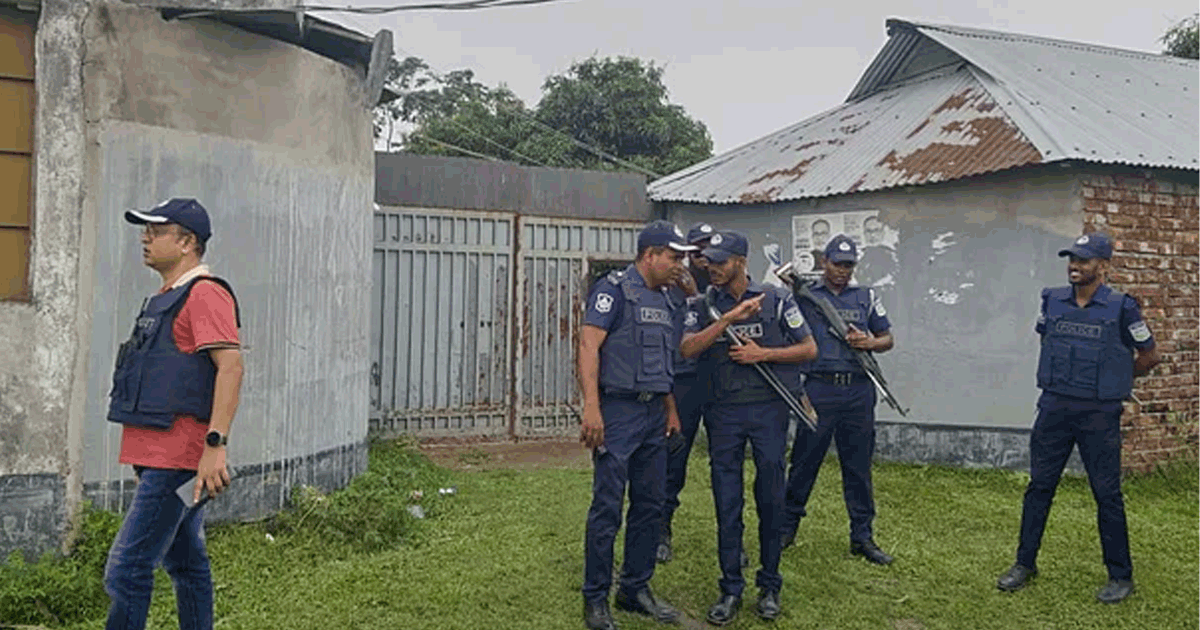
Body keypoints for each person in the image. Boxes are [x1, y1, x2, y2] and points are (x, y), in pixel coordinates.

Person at [996, 232, 1160, 604]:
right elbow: (1046, 340)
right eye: (1071, 259)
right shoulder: (1051, 300)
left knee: (1107, 494)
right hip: (1055, 407)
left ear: (1102, 267)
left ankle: (1121, 576)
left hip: (1098, 414)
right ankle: (1024, 564)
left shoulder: (1122, 307)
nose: (1074, 266)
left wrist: (1116, 378)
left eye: (1083, 260)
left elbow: (1150, 355)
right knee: (1039, 487)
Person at [104, 198, 243, 630]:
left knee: (127, 568)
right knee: (185, 560)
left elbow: (231, 366)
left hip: (181, 462)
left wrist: (215, 447)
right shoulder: (166, 300)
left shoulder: (204, 295)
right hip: (162, 460)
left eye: (156, 230)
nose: (145, 238)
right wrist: (144, 459)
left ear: (186, 243)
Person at [680, 231, 818, 625]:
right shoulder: (702, 303)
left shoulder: (776, 300)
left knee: (771, 499)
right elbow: (687, 349)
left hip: (768, 413)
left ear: (741, 261)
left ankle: (770, 585)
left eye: (721, 262)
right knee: (727, 503)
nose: (713, 268)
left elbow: (809, 348)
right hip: (723, 414)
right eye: (709, 262)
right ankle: (730, 588)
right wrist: (725, 319)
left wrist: (764, 354)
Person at [579, 220, 695, 630]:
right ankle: (596, 600)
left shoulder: (667, 300)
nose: (680, 265)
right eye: (674, 257)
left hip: (653, 416)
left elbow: (663, 360)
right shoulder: (614, 289)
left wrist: (670, 408)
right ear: (650, 255)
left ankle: (635, 588)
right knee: (608, 507)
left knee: (649, 505)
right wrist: (592, 408)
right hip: (618, 412)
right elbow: (589, 344)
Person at [781, 234, 895, 566]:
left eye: (848, 265)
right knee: (804, 461)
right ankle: (787, 528)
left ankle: (862, 537)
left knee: (858, 467)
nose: (842, 271)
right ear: (825, 263)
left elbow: (888, 339)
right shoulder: (804, 296)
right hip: (819, 388)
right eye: (837, 264)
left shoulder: (866, 297)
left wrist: (868, 343)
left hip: (858, 390)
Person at [657, 222, 716, 564]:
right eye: (696, 250)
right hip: (683, 381)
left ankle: (731, 540)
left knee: (726, 461)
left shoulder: (724, 285)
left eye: (708, 248)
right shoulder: (671, 286)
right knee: (673, 458)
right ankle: (662, 529)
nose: (704, 256)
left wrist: (697, 294)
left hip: (719, 382)